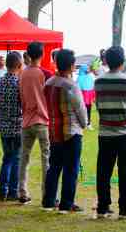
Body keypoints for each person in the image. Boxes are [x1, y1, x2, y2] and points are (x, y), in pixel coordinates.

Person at [94, 46, 126, 218]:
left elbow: (98, 104)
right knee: (125, 171)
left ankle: (103, 206)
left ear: (106, 61)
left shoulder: (98, 81)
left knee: (103, 172)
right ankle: (125, 208)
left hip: (105, 134)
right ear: (123, 61)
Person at [42, 49, 87, 213]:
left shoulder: (48, 83)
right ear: (71, 66)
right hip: (71, 131)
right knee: (71, 169)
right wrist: (84, 124)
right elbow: (81, 110)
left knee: (54, 167)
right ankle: (66, 204)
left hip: (54, 130)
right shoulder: (71, 85)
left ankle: (48, 201)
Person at [17, 41, 51, 205]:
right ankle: (47, 194)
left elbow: (21, 97)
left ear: (28, 55)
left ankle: (22, 191)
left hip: (26, 120)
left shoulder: (22, 74)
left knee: (24, 158)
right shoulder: (45, 74)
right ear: (42, 54)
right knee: (46, 159)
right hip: (43, 120)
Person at [0, 52, 23, 201]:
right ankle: (13, 191)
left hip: (4, 125)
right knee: (16, 159)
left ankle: (2, 190)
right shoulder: (19, 83)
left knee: (6, 159)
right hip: (17, 125)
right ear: (19, 65)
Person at [76, 60, 97, 130]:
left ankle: (88, 123)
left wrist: (93, 96)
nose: (88, 70)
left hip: (88, 97)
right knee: (81, 111)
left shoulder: (90, 77)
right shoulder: (79, 78)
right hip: (82, 98)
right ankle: (83, 124)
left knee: (88, 110)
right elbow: (77, 89)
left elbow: (92, 87)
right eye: (86, 68)